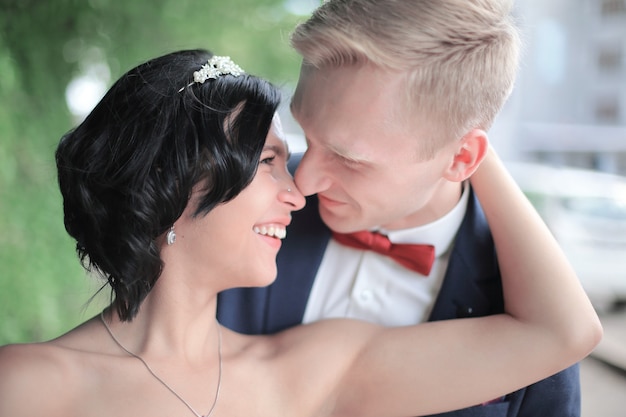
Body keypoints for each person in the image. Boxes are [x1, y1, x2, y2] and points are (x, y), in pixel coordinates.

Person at [0, 49, 601, 417]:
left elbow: (563, 332)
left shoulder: (311, 368)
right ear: (172, 182)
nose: (299, 190)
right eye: (268, 161)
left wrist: (457, 142)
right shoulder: (26, 387)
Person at [217, 1, 585, 416]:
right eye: (307, 133)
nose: (303, 183)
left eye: (349, 159)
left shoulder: (533, 300)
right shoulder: (242, 202)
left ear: (462, 158)